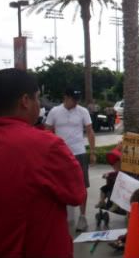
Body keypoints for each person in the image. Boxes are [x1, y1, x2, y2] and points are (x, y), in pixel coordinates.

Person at [0, 69, 86, 258]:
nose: (39, 104)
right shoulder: (46, 146)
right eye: (37, 98)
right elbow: (77, 194)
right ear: (25, 101)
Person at [45, 87, 96, 232]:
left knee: (82, 185)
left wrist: (92, 152)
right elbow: (47, 131)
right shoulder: (55, 111)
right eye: (73, 99)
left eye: (77, 99)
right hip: (61, 154)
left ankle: (83, 216)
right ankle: (61, 216)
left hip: (79, 152)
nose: (75, 102)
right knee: (58, 185)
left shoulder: (83, 111)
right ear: (65, 97)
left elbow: (90, 132)